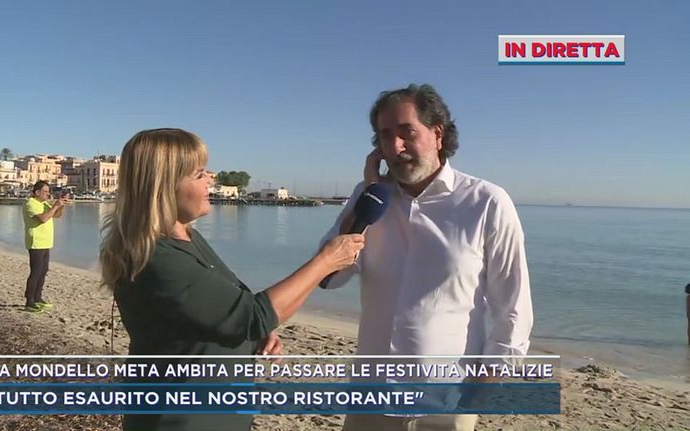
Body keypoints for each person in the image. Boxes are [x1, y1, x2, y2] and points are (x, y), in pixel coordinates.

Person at [99, 128, 364, 431]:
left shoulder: (188, 239)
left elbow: (231, 308)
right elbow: (255, 315)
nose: (211, 179)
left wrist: (253, 339)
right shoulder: (157, 259)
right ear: (164, 186)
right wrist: (325, 262)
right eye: (199, 174)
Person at [322, 84, 533, 431]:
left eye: (406, 132)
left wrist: (486, 382)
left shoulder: (487, 203)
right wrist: (367, 205)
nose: (395, 147)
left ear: (437, 134)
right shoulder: (369, 199)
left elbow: (513, 305)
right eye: (385, 136)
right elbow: (329, 278)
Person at [22, 180, 67, 312]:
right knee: (35, 272)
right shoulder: (30, 203)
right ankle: (29, 301)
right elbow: (43, 218)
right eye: (46, 191)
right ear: (37, 192)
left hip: (46, 242)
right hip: (36, 242)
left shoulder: (44, 203)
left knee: (43, 271)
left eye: (49, 191)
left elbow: (56, 215)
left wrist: (60, 205)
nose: (48, 194)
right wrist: (54, 206)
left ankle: (37, 297)